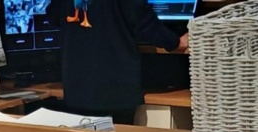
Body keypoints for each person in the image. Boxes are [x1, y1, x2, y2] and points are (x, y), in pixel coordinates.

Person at [53, 0, 189, 125]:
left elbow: (53, 16)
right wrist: (175, 42)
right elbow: (143, 23)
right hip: (115, 90)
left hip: (76, 86)